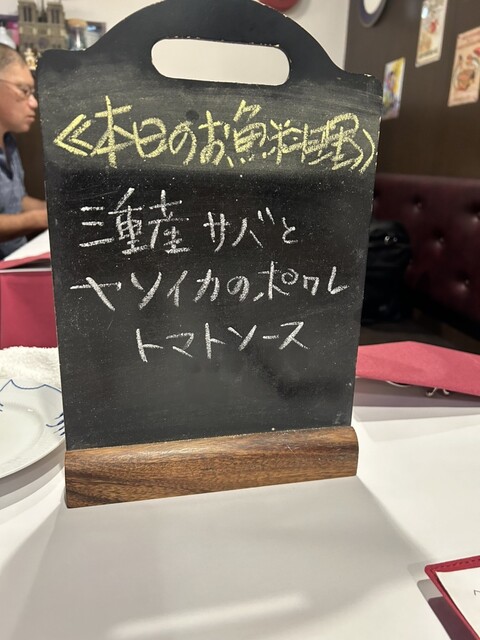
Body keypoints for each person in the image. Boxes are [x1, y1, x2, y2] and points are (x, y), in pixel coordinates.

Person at [0, 43, 47, 259]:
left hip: (17, 258)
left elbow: (16, 201)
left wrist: (57, 209)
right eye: (24, 91)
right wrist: (42, 218)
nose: (34, 103)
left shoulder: (8, 142)